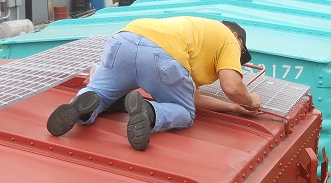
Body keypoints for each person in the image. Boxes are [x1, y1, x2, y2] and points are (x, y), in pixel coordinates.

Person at [46, 16, 261, 150]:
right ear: (237, 37)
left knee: (99, 93)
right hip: (163, 57)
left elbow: (193, 97)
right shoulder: (229, 39)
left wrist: (232, 107)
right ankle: (149, 113)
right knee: (184, 113)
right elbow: (232, 86)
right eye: (240, 54)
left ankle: (80, 107)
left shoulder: (198, 35)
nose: (238, 60)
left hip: (126, 38)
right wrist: (250, 100)